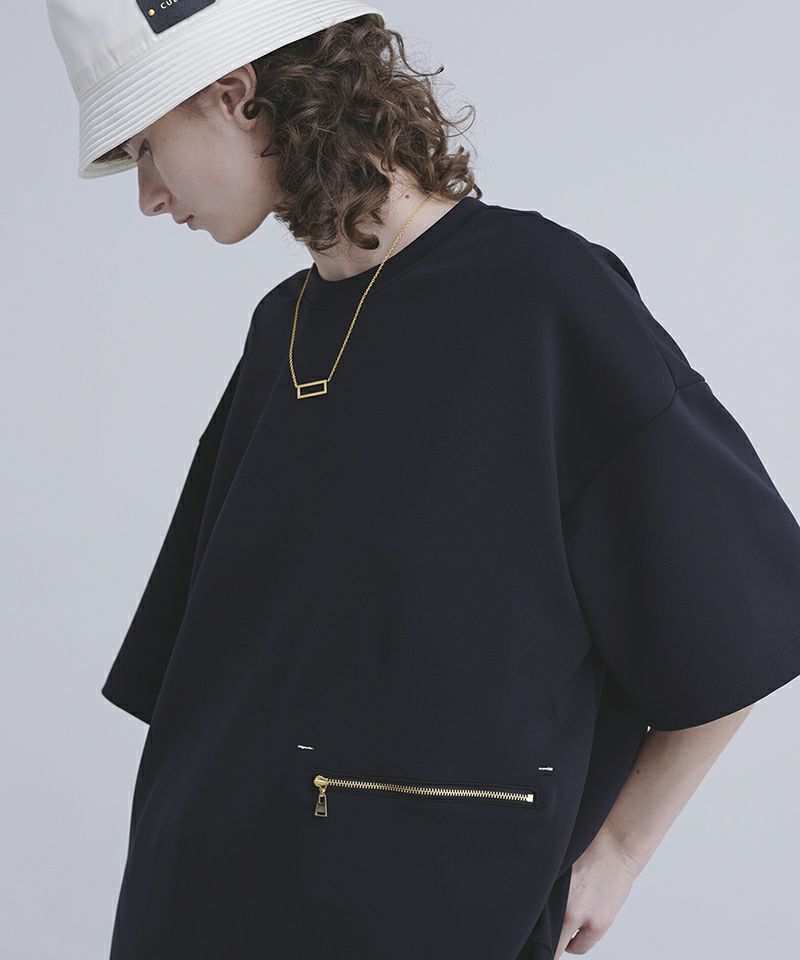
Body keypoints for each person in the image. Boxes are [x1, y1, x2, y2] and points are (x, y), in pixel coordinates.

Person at [46, 3, 800, 959]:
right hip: (199, 902)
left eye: (146, 149)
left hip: (423, 913)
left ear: (234, 96)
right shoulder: (281, 329)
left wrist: (618, 852)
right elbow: (214, 683)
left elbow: (743, 603)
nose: (149, 197)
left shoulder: (541, 297)